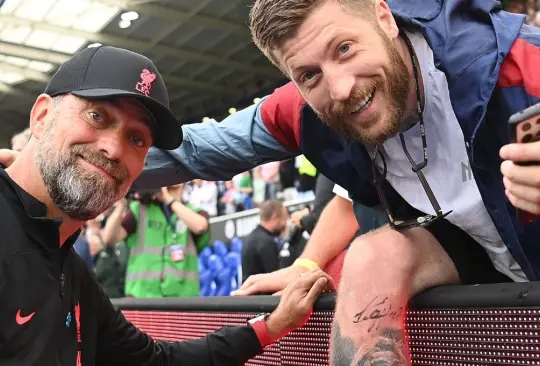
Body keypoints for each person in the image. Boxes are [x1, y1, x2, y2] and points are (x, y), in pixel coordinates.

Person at [125, 0, 540, 363]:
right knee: (371, 258)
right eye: (308, 75)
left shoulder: (515, 64)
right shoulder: (306, 110)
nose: (341, 89)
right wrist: (86, 153)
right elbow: (199, 149)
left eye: (344, 48)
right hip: (482, 256)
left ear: (384, 16)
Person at [0, 45, 334, 365]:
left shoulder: (71, 274)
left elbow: (158, 361)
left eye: (136, 139)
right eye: (97, 115)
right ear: (42, 118)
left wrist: (273, 326)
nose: (114, 149)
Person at [101, 184, 210, 298]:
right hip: (143, 296)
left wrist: (168, 200)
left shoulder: (193, 211)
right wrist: (121, 205)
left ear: (182, 182)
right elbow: (109, 237)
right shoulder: (140, 209)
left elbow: (200, 226)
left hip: (182, 297)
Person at [242, 200, 289, 282]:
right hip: (261, 293)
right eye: (284, 219)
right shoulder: (266, 242)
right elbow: (276, 278)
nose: (285, 224)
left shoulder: (252, 237)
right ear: (274, 217)